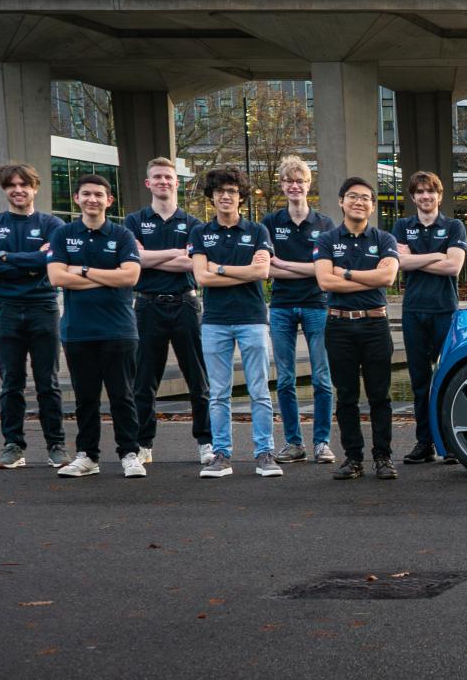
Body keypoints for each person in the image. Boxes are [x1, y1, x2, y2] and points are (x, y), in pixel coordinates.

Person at [44, 174, 145, 479]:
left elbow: (130, 277)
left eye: (99, 195)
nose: (92, 199)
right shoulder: (63, 235)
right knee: (86, 398)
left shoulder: (123, 235)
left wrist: (84, 271)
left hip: (119, 329)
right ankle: (87, 456)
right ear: (77, 198)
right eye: (86, 194)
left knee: (122, 396)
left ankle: (129, 453)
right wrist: (107, 277)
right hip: (78, 331)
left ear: (109, 200)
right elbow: (57, 277)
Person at [0, 162, 68, 470]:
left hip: (43, 308)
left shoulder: (53, 224)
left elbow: (53, 261)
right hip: (5, 310)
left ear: (34, 188)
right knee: (11, 382)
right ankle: (13, 445)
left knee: (48, 382)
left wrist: (8, 258)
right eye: (12, 185)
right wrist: (33, 263)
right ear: (5, 189)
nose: (18, 190)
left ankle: (56, 445)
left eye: (24, 185)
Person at [188, 168, 279, 479]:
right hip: (215, 321)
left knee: (260, 391)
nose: (226, 196)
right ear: (211, 197)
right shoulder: (200, 233)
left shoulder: (257, 231)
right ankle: (221, 455)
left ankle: (264, 453)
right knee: (218, 394)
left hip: (252, 319)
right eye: (220, 191)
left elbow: (261, 273)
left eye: (232, 191)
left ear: (241, 197)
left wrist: (220, 268)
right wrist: (239, 270)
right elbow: (201, 278)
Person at [123, 157, 214, 468]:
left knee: (198, 380)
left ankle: (205, 441)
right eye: (157, 177)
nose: (163, 181)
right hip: (147, 305)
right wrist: (176, 252)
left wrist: (151, 256)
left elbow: (194, 264)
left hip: (185, 304)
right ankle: (143, 443)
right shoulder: (134, 221)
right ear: (148, 183)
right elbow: (135, 259)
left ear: (177, 183)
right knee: (144, 381)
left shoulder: (194, 224)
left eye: (168, 177)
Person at [314, 177, 401, 480]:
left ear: (372, 206)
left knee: (380, 395)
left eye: (365, 198)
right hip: (339, 325)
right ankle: (353, 458)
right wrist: (368, 276)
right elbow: (325, 281)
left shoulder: (384, 239)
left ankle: (383, 457)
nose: (359, 202)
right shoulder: (327, 240)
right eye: (352, 196)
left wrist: (346, 273)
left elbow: (387, 278)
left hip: (375, 324)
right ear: (341, 202)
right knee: (346, 396)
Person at [263, 156, 337, 465]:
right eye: (289, 181)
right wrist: (308, 268)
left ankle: (322, 443)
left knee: (321, 378)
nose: (295, 186)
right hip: (281, 306)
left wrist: (283, 264)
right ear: (282, 185)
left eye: (300, 181)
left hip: (317, 305)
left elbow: (326, 270)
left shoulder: (325, 224)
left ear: (309, 185)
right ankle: (294, 443)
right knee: (285, 379)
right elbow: (265, 269)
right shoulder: (269, 223)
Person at [392, 171, 467, 465]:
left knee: (449, 378)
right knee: (419, 381)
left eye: (430, 191)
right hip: (413, 311)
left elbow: (453, 267)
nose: (426, 196)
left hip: (444, 310)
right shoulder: (402, 226)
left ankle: (450, 443)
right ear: (413, 197)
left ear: (439, 195)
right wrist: (437, 256)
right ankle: (424, 442)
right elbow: (398, 263)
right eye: (420, 192)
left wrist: (415, 259)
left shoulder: (454, 226)